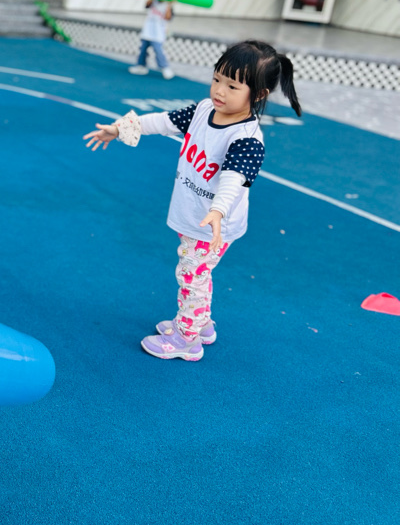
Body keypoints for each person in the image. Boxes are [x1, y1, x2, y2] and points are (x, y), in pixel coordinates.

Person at [83, 40, 302, 361]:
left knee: (192, 274)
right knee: (198, 272)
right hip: (196, 214)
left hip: (212, 224)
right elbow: (164, 121)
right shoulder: (203, 110)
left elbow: (235, 178)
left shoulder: (246, 138)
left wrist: (218, 211)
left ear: (258, 95)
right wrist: (120, 129)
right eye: (217, 79)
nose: (220, 90)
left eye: (232, 86)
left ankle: (187, 338)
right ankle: (201, 323)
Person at [129, 0, 174, 79]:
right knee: (143, 49)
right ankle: (141, 66)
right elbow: (147, 5)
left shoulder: (167, 4)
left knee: (158, 50)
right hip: (148, 31)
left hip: (158, 32)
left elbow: (168, 17)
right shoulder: (153, 1)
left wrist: (169, 4)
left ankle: (165, 67)